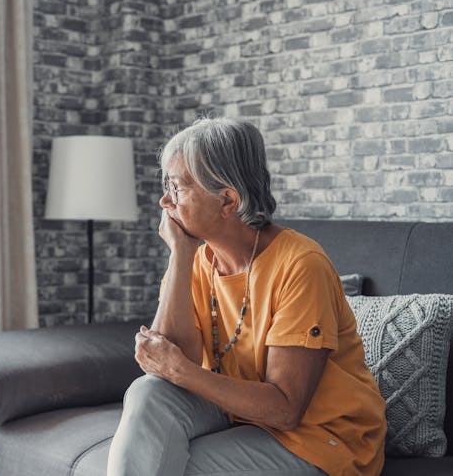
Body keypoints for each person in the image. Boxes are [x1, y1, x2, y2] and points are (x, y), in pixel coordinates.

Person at [106, 117, 387, 476]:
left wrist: (177, 368)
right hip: (238, 414)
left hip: (320, 439)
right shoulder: (196, 259)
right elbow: (170, 365)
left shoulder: (301, 264)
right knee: (147, 393)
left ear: (227, 200)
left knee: (175, 467)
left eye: (176, 187)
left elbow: (286, 410)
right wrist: (180, 255)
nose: (165, 201)